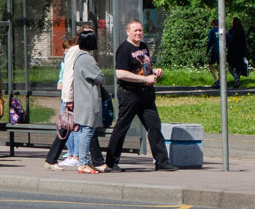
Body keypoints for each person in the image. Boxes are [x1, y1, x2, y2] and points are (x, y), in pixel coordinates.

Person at [103, 19, 177, 172]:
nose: (138, 33)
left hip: (146, 94)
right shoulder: (124, 49)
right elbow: (120, 73)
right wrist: (144, 79)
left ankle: (162, 161)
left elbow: (143, 67)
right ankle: (111, 162)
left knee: (154, 126)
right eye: (135, 31)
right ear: (128, 32)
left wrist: (154, 71)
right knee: (122, 127)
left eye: (140, 30)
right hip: (129, 93)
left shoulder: (143, 47)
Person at [71, 29, 109, 175]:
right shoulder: (87, 58)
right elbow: (99, 77)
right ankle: (83, 163)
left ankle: (84, 162)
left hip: (82, 99)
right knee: (87, 131)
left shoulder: (78, 56)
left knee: (84, 131)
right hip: (88, 100)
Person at [43, 36, 81, 170]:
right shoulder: (73, 55)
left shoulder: (78, 54)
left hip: (72, 96)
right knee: (69, 125)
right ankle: (75, 156)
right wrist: (68, 97)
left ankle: (59, 157)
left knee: (72, 126)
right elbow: (67, 76)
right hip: (71, 97)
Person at [228, 17, 247, 86]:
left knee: (230, 67)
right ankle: (237, 80)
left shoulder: (231, 31)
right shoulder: (241, 31)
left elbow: (229, 41)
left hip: (232, 51)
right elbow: (244, 42)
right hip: (240, 51)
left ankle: (236, 77)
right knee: (238, 67)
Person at [206, 18, 221, 88]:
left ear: (213, 24)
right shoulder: (221, 30)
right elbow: (228, 37)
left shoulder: (211, 31)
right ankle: (220, 80)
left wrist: (207, 51)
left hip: (214, 49)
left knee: (210, 64)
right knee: (219, 65)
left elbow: (210, 41)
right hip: (221, 50)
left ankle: (215, 79)